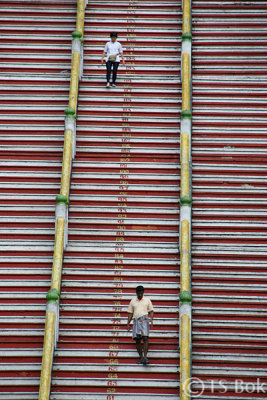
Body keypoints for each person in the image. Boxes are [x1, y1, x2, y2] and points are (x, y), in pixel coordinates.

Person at [127, 285, 154, 365]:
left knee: (145, 338)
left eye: (141, 293)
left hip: (144, 319)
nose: (139, 295)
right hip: (136, 320)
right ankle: (141, 357)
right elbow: (130, 313)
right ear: (136, 293)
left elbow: (151, 311)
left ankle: (145, 357)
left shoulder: (147, 300)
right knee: (137, 339)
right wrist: (128, 323)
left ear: (143, 292)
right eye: (138, 293)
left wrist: (151, 319)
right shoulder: (132, 301)